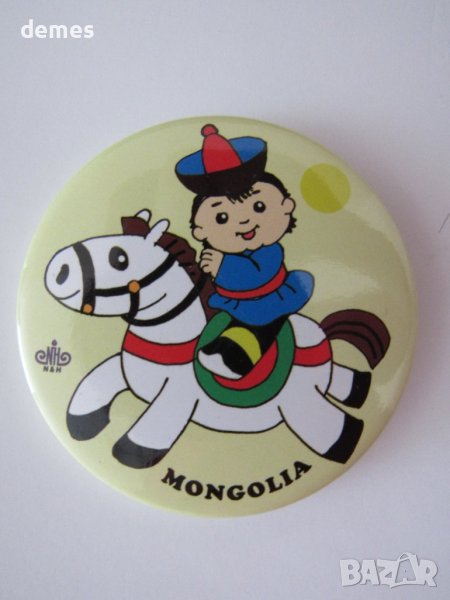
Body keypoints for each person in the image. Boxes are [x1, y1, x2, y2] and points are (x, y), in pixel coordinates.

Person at [176, 125, 314, 378]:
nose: (243, 221)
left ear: (286, 206)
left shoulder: (269, 252)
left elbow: (257, 275)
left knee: (260, 319)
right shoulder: (221, 255)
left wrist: (221, 267)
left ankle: (239, 358)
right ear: (200, 231)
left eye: (259, 206)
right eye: (221, 217)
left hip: (268, 297)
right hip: (233, 299)